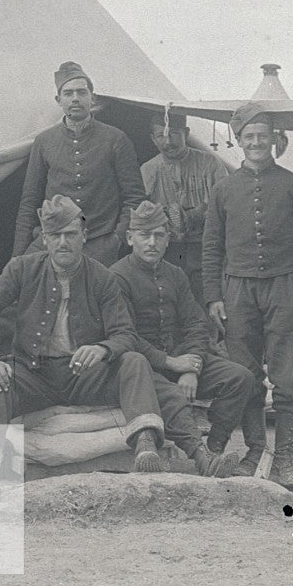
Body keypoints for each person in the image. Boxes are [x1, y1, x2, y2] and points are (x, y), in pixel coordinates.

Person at [0, 195, 169, 473]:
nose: (63, 242)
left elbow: (125, 333)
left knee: (134, 361)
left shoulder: (102, 277)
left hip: (83, 377)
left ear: (84, 236)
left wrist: (103, 349)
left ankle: (145, 444)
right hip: (33, 375)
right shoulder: (22, 269)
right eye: (55, 235)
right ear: (45, 238)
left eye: (70, 234)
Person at [202, 102, 293, 492]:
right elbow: (210, 248)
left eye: (262, 136)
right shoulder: (223, 189)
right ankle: (255, 451)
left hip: (285, 288)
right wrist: (213, 297)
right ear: (239, 142)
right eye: (248, 137)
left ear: (274, 140)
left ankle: (285, 459)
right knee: (245, 375)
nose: (256, 143)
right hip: (237, 292)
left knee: (289, 378)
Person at [110, 201, 255, 476]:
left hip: (179, 358)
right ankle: (201, 456)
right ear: (130, 238)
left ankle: (214, 448)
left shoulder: (175, 274)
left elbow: (196, 325)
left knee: (240, 377)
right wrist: (172, 363)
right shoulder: (116, 277)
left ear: (168, 240)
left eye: (159, 235)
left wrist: (193, 366)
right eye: (144, 235)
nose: (152, 243)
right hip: (142, 366)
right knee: (171, 392)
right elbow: (124, 336)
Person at [11, 61, 147, 263]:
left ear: (93, 98)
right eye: (68, 93)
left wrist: (116, 239)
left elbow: (134, 197)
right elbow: (30, 201)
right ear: (59, 100)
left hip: (99, 242)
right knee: (26, 281)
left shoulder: (116, 139)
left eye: (82, 92)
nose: (75, 98)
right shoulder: (44, 141)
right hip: (53, 239)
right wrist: (18, 255)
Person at [141, 110, 231, 315]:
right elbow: (142, 212)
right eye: (160, 135)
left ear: (186, 133)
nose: (167, 141)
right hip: (168, 251)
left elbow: (227, 205)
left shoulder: (210, 163)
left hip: (206, 249)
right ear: (152, 139)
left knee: (209, 304)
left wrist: (195, 215)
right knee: (171, 305)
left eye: (173, 133)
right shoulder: (148, 170)